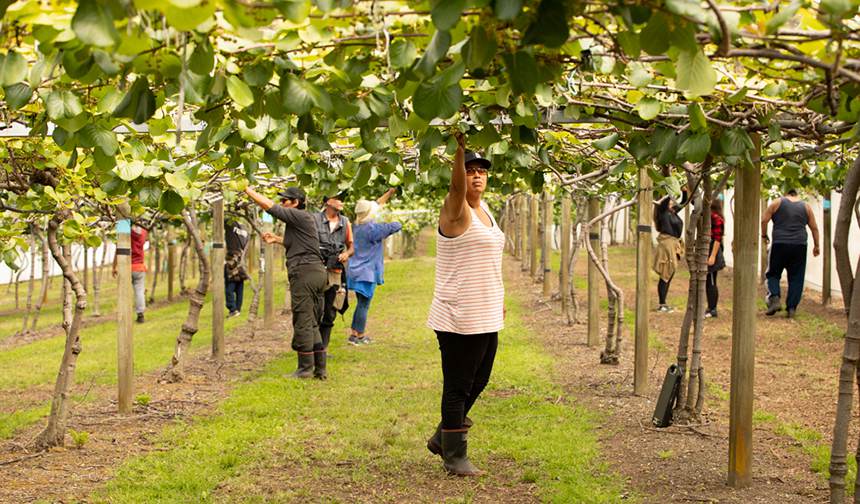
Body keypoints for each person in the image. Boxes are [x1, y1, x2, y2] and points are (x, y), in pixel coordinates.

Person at [426, 133, 505, 477]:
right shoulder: (454, 209)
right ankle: (454, 456)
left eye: (482, 171)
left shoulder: (485, 210)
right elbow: (457, 189)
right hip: (459, 315)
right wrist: (458, 149)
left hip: (486, 311)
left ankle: (444, 435)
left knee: (481, 378)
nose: (477, 176)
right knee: (457, 386)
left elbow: (490, 262)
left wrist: (499, 299)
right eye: (470, 170)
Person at [244, 185, 328, 379]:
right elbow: (299, 243)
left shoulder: (298, 215)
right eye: (281, 200)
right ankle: (320, 369)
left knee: (302, 319)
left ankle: (305, 369)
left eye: (285, 201)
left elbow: (270, 207)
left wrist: (247, 190)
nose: (282, 203)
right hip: (314, 271)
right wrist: (277, 239)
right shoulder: (301, 221)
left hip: (304, 273)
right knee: (312, 320)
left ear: (296, 203)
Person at [346, 188, 401, 345]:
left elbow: (376, 204)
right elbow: (396, 225)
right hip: (367, 273)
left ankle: (354, 334)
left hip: (355, 271)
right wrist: (387, 218)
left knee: (360, 303)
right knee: (364, 305)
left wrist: (389, 193)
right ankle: (359, 336)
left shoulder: (355, 226)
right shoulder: (373, 229)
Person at [762, 189, 821, 318]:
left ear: (786, 194)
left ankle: (775, 298)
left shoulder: (777, 203)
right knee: (796, 277)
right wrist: (817, 246)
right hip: (799, 245)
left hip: (779, 244)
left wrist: (764, 235)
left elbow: (764, 220)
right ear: (797, 196)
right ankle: (792, 308)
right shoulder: (806, 207)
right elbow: (814, 228)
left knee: (773, 273)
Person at [315, 196, 353, 351]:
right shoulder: (314, 220)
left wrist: (346, 254)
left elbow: (351, 247)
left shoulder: (345, 222)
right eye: (338, 198)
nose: (341, 202)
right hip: (316, 269)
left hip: (335, 271)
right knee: (316, 308)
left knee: (331, 311)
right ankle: (314, 347)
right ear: (328, 202)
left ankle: (323, 349)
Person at [113, 221, 148, 323]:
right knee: (139, 291)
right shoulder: (144, 231)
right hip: (139, 267)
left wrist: (114, 266)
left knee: (124, 292)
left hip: (126, 267)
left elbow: (118, 248)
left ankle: (124, 314)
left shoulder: (124, 227)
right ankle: (140, 314)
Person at [652, 196, 683, 312]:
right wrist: (669, 183)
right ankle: (662, 304)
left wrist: (685, 191)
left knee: (670, 273)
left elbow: (684, 202)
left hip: (673, 244)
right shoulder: (662, 212)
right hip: (667, 244)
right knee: (665, 273)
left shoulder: (672, 211)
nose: (672, 201)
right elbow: (665, 201)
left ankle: (663, 303)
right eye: (670, 200)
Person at [225, 218, 250, 317]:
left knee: (229, 288)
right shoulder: (245, 228)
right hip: (242, 260)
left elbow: (222, 219)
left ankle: (233, 309)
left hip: (232, 260)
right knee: (239, 286)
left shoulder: (230, 222)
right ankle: (237, 310)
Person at [705, 197, 726, 318]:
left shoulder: (716, 218)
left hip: (713, 250)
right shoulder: (712, 216)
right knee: (709, 281)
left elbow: (717, 238)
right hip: (710, 248)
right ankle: (710, 307)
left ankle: (713, 309)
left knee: (712, 280)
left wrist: (712, 256)